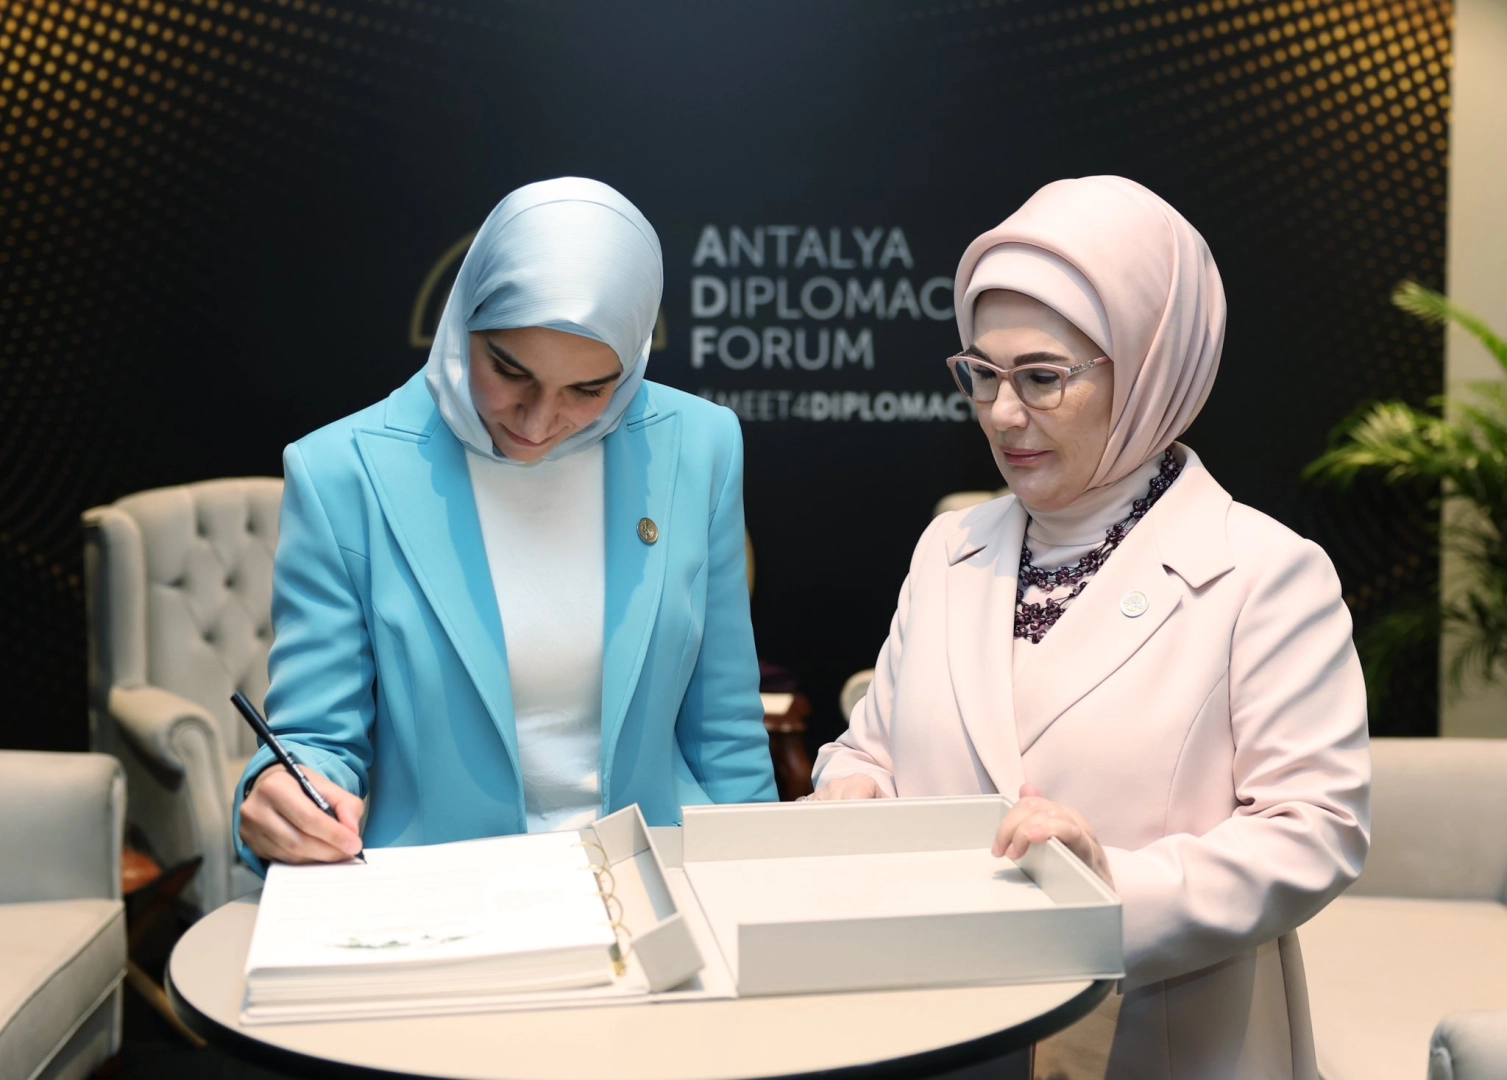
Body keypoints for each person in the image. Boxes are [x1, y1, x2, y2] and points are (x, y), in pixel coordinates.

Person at [809, 176, 1370, 1079]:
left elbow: (1316, 830)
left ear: (1149, 369)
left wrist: (1107, 885)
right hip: (938, 1026)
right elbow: (870, 746)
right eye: (981, 374)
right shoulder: (948, 547)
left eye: (1041, 377)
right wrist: (853, 787)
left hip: (1157, 1034)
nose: (1002, 413)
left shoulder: (1265, 571)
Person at [236, 177, 776, 871]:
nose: (538, 422)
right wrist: (284, 795)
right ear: (463, 320)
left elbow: (724, 728)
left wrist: (758, 881)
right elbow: (316, 741)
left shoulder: (700, 445)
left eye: (588, 389)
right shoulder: (342, 471)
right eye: (509, 371)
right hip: (445, 890)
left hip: (657, 878)